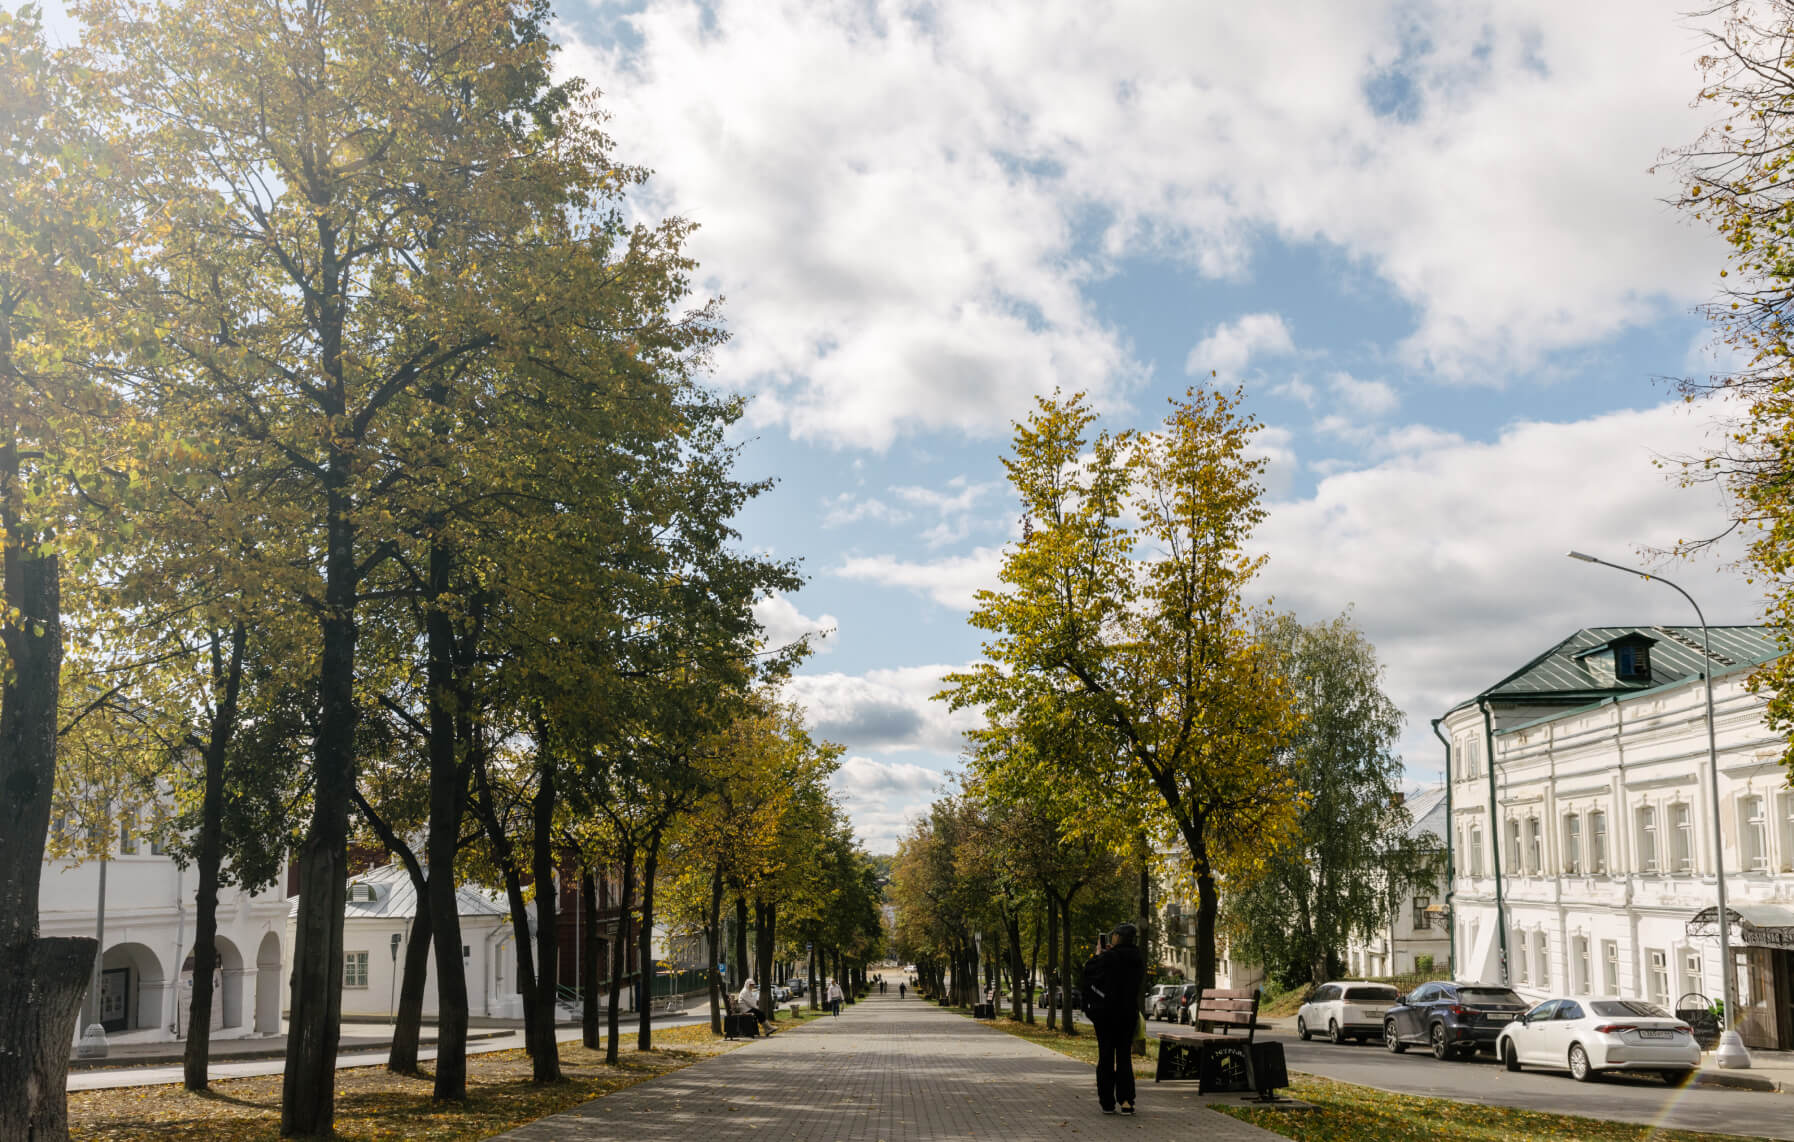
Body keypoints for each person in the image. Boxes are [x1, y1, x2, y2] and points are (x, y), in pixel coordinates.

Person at [1080, 922, 1146, 1116]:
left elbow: (1089, 972)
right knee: (1124, 1057)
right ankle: (1126, 1101)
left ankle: (1107, 1102)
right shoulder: (1137, 959)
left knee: (1106, 1056)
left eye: (1114, 935)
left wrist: (1098, 954)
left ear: (1117, 937)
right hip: (1127, 1014)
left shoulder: (1108, 958)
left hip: (1105, 1015)